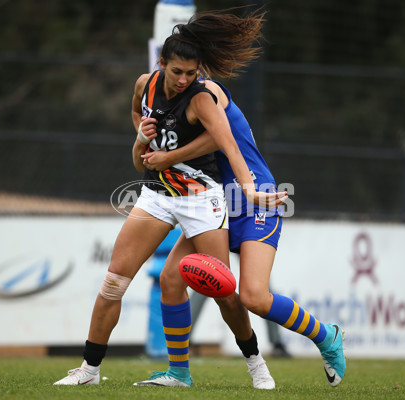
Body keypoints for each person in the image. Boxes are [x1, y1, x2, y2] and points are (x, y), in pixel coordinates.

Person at [53, 8, 287, 389]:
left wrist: (248, 189)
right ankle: (90, 371)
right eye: (176, 71)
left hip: (201, 199)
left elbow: (228, 143)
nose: (183, 79)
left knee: (225, 291)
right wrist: (142, 134)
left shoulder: (201, 99)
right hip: (157, 194)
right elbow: (136, 117)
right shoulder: (144, 84)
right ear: (161, 63)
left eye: (191, 73)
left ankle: (257, 364)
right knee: (114, 281)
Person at [140, 75, 346, 387]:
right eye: (171, 68)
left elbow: (222, 141)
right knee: (171, 279)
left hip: (256, 199)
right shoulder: (170, 102)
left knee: (254, 296)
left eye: (186, 68)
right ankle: (179, 372)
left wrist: (167, 156)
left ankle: (325, 335)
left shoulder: (207, 92)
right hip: (216, 204)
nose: (178, 77)